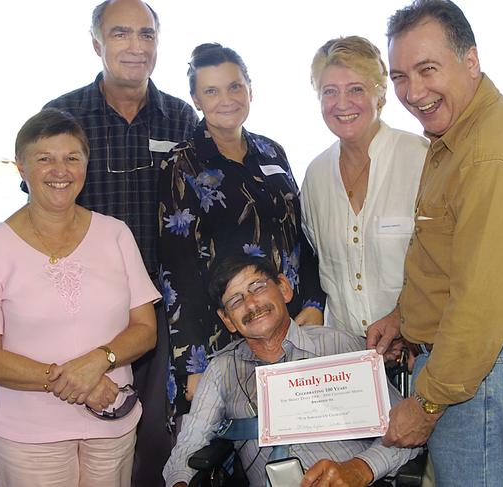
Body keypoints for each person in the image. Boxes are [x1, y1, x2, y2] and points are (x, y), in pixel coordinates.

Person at [366, 1, 503, 485]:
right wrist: (405, 318)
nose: (413, 92)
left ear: (471, 61)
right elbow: (454, 262)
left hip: (481, 382)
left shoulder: (491, 155)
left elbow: (481, 307)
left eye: (427, 69)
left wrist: (427, 402)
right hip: (477, 379)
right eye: (398, 76)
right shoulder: (458, 137)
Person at [0, 109, 161, 486]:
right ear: (21, 168)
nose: (59, 170)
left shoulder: (115, 234)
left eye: (72, 158)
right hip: (26, 436)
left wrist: (100, 360)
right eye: (44, 159)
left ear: (86, 165)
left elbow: (145, 329)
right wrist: (79, 382)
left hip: (111, 422)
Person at [42, 1, 198, 483]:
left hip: (159, 312)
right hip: (81, 311)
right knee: (78, 438)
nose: (136, 46)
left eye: (147, 35)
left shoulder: (180, 119)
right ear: (96, 43)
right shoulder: (63, 116)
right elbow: (38, 214)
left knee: (156, 439)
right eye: (121, 34)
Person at [158, 43, 324, 418]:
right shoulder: (181, 162)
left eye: (234, 86)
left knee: (298, 444)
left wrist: (313, 303)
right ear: (196, 100)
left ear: (250, 87)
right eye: (211, 91)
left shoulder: (272, 152)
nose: (226, 99)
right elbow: (178, 270)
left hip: (289, 330)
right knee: (237, 457)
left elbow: (301, 237)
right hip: (222, 341)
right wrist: (193, 364)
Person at [163, 254, 417, 487]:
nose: (251, 304)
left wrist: (361, 469)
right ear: (227, 319)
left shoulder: (339, 344)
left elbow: (408, 430)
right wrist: (180, 483)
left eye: (258, 287)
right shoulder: (222, 370)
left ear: (284, 288)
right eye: (236, 300)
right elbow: (187, 447)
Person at [301, 36, 428, 338]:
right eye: (329, 92)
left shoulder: (419, 158)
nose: (342, 104)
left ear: (380, 93)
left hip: (419, 352)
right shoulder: (315, 176)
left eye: (356, 89)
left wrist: (403, 319)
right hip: (347, 366)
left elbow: (447, 264)